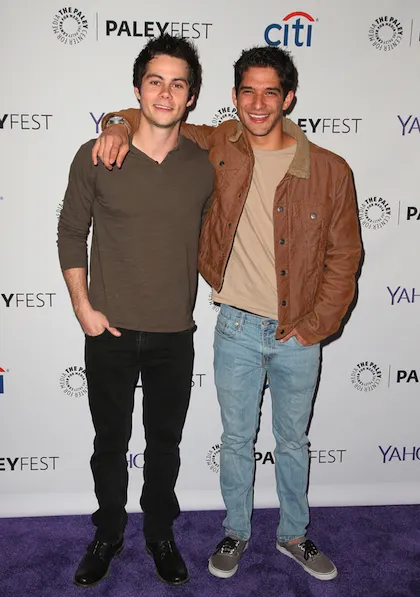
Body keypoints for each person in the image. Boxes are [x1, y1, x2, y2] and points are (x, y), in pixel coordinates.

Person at [93, 45, 362, 582]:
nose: (258, 104)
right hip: (236, 325)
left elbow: (344, 257)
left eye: (270, 92)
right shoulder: (220, 143)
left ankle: (293, 534)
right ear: (234, 97)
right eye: (247, 92)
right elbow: (153, 116)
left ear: (288, 98)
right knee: (236, 441)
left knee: (293, 441)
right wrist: (116, 124)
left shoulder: (330, 170)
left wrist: (314, 327)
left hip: (298, 329)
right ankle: (236, 531)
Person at [57, 34, 213, 588]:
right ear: (137, 89)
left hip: (175, 332)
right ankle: (108, 532)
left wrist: (118, 121)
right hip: (110, 330)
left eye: (178, 84)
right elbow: (71, 232)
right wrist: (83, 307)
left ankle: (159, 533)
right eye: (155, 81)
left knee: (165, 444)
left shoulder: (206, 162)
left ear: (191, 96)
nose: (166, 94)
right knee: (109, 443)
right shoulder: (99, 153)